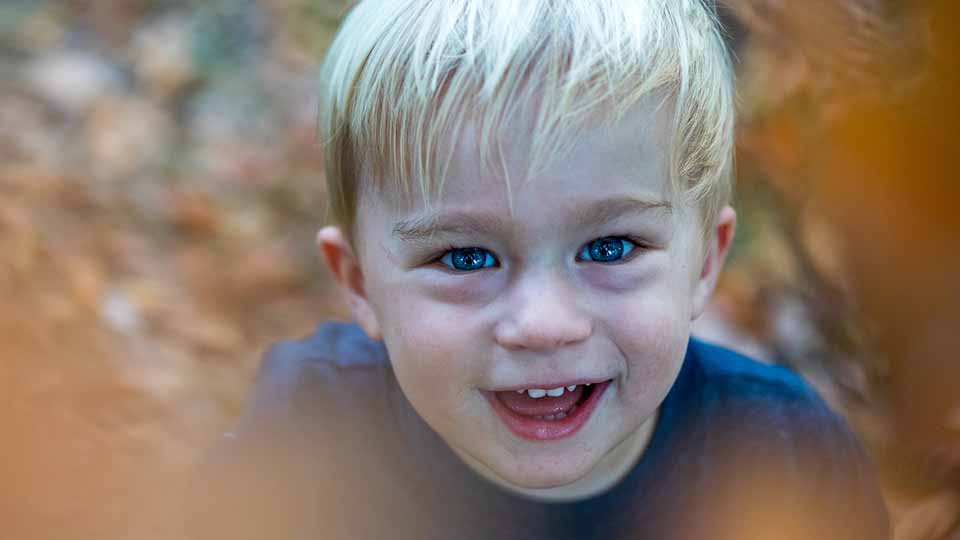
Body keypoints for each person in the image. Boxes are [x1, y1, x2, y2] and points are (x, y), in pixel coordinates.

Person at [185, 1, 889, 538]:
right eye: (465, 257)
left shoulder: (785, 461)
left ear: (705, 260)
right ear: (361, 282)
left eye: (609, 248)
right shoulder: (307, 447)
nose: (542, 325)